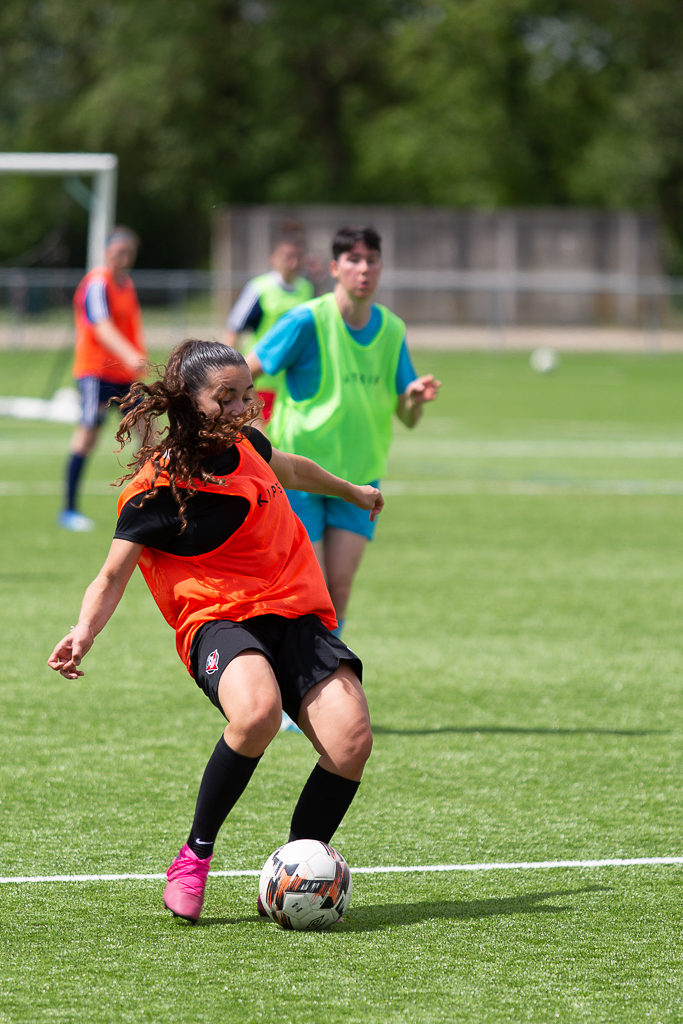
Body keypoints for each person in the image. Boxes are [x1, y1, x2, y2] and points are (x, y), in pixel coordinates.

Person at [47, 339, 379, 924]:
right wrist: (83, 631)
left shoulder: (248, 443)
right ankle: (194, 855)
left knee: (351, 741)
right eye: (226, 397)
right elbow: (112, 575)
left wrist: (351, 491)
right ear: (188, 401)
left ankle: (294, 871)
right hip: (218, 618)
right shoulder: (158, 487)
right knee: (256, 713)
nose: (242, 408)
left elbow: (292, 468)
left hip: (294, 611)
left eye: (247, 395)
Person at [246, 225, 440, 638]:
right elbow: (242, 372)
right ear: (335, 268)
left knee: (339, 590)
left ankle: (324, 670)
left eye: (371, 260)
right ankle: (288, 670)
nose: (363, 269)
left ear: (381, 267)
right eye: (353, 260)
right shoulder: (306, 320)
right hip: (299, 475)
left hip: (360, 479)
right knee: (307, 589)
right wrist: (255, 429)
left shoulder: (392, 330)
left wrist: (414, 400)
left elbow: (408, 418)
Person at [59, 226, 147, 533]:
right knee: (88, 434)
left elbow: (129, 326)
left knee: (147, 430)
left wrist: (135, 360)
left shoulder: (127, 284)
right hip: (96, 371)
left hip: (124, 375)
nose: (123, 257)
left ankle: (148, 500)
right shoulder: (98, 282)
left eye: (128, 252)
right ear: (107, 251)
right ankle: (69, 510)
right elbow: (101, 325)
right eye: (118, 251)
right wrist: (131, 354)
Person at [223, 223, 314, 425]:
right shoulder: (259, 288)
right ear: (273, 258)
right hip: (263, 380)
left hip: (293, 382)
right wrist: (227, 375)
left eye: (298, 257)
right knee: (263, 437)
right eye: (287, 256)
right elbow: (234, 329)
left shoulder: (307, 289)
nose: (293, 263)